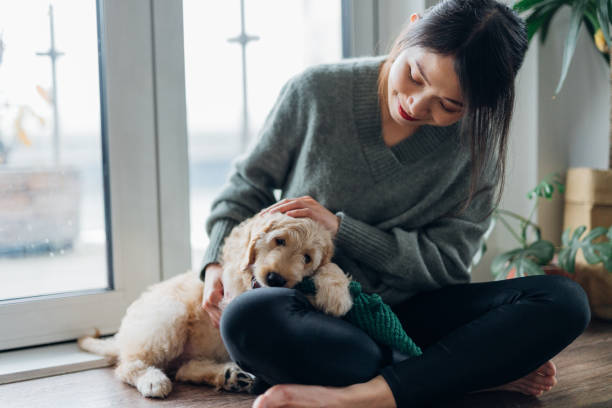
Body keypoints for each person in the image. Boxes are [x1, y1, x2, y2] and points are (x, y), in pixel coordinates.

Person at [200, 1, 591, 407]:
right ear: (411, 30)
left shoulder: (477, 150)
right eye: (415, 76)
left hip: (411, 315)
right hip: (318, 312)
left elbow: (446, 264)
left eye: (449, 105)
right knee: (248, 317)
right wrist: (214, 268)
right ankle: (454, 373)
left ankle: (364, 396)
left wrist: (341, 229)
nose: (417, 105)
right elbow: (245, 189)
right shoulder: (315, 92)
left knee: (565, 301)